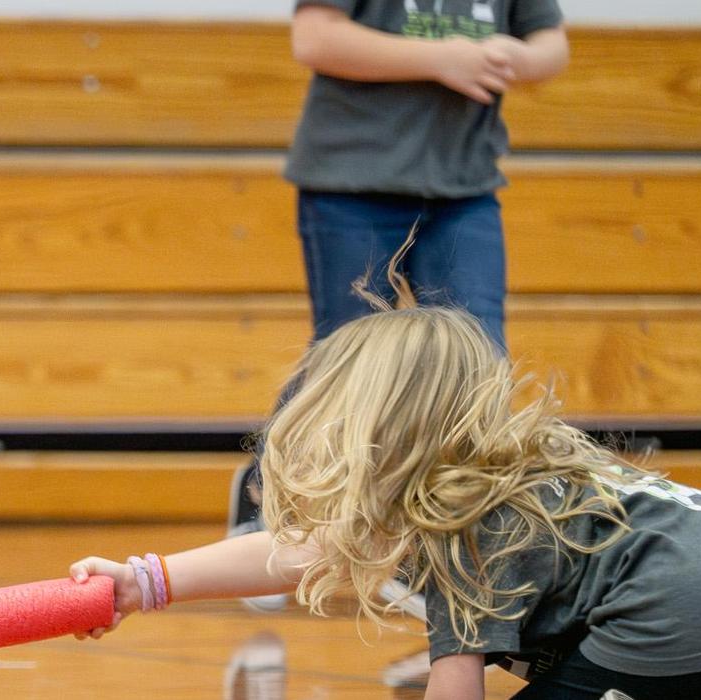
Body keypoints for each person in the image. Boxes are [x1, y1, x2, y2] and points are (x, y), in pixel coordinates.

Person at [71, 276, 701, 700]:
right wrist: (146, 582)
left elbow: (456, 692)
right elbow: (308, 549)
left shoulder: (469, 523)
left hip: (692, 630)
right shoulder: (513, 467)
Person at [228, 0, 571, 612]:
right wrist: (443, 58)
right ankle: (266, 502)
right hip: (350, 183)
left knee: (478, 360)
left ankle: (443, 550)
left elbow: (552, 46)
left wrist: (519, 58)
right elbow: (314, 38)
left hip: (464, 187)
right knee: (347, 359)